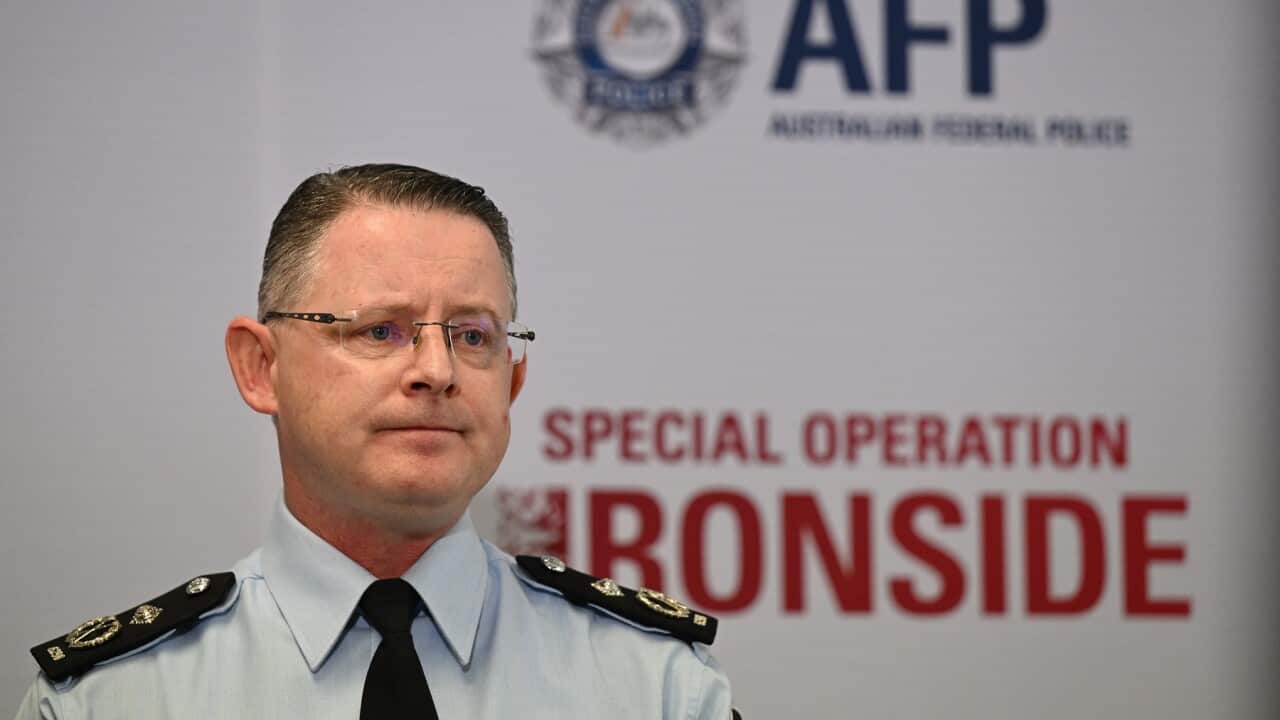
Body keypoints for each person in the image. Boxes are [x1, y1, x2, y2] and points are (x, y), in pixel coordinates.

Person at [15, 164, 735, 719]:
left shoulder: (656, 688)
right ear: (261, 367)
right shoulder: (110, 700)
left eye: (473, 335)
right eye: (379, 330)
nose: (436, 370)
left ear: (513, 382)